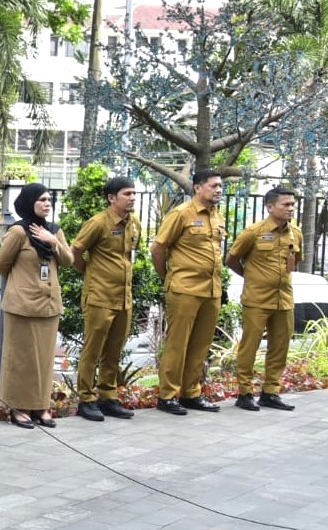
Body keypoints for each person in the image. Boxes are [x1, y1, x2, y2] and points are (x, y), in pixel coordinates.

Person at [0, 185, 75, 428]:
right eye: (41, 199)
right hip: (22, 305)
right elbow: (2, 264)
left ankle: (40, 406)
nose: (47, 203)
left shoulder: (54, 231)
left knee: (44, 359)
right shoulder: (18, 232)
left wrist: (53, 242)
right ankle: (18, 407)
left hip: (48, 305)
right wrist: (22, 285)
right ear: (30, 202)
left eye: (49, 199)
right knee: (21, 359)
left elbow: (69, 261)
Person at [150, 169, 226, 415]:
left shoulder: (217, 215)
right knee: (177, 344)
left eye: (220, 186)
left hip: (211, 290)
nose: (218, 190)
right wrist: (167, 276)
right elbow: (158, 248)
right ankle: (167, 396)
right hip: (184, 289)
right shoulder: (181, 213)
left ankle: (191, 393)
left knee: (200, 345)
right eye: (213, 186)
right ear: (197, 187)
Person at [70, 176, 141, 422]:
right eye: (127, 194)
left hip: (124, 298)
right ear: (112, 198)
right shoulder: (98, 223)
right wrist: (90, 273)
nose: (132, 198)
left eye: (134, 193)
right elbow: (75, 252)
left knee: (113, 351)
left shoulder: (134, 223)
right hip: (100, 297)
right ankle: (86, 399)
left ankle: (108, 396)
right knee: (92, 350)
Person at [227, 187, 302, 411]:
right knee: (249, 347)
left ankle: (270, 392)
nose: (291, 208)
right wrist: (252, 277)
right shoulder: (253, 232)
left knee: (280, 347)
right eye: (286, 204)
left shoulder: (295, 233)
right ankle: (245, 393)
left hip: (284, 299)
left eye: (292, 204)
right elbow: (231, 259)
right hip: (257, 300)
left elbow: (295, 261)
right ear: (270, 207)